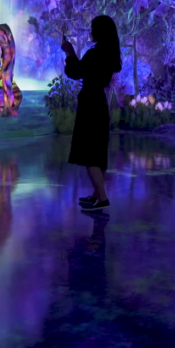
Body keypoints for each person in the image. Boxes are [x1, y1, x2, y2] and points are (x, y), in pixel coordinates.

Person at [62, 16, 121, 213]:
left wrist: (69, 52)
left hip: (90, 105)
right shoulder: (109, 54)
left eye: (93, 28)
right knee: (98, 153)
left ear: (99, 32)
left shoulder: (95, 54)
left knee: (90, 155)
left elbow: (76, 72)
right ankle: (96, 194)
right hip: (99, 104)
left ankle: (102, 198)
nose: (90, 31)